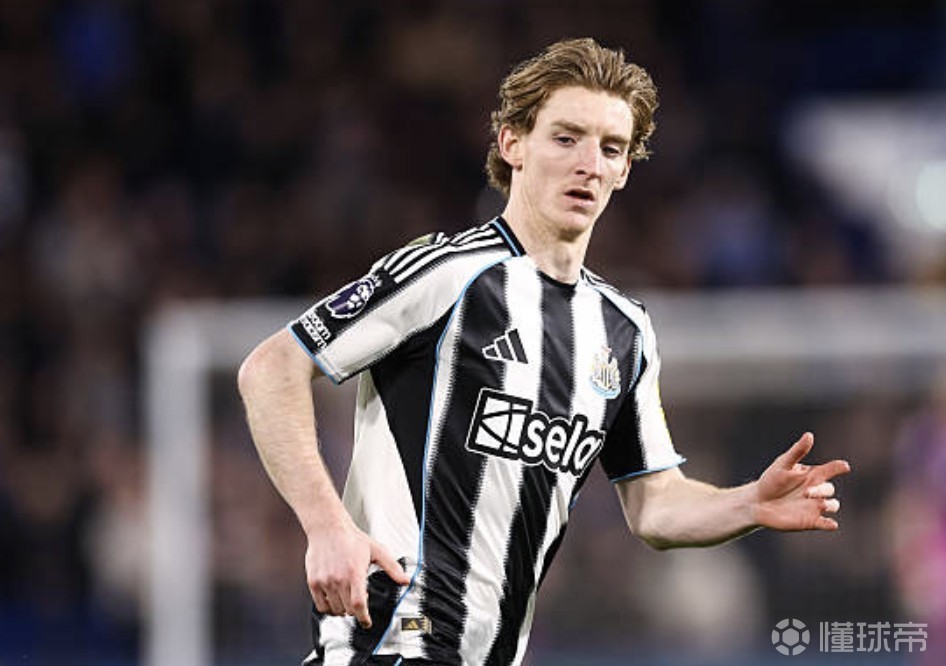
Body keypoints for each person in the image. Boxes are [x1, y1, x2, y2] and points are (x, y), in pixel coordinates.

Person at [238, 37, 851, 666]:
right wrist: (326, 526)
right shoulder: (447, 275)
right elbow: (272, 367)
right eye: (566, 138)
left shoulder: (624, 331)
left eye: (610, 148)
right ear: (513, 144)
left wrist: (747, 503)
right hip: (390, 641)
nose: (589, 163)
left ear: (625, 170)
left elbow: (654, 505)